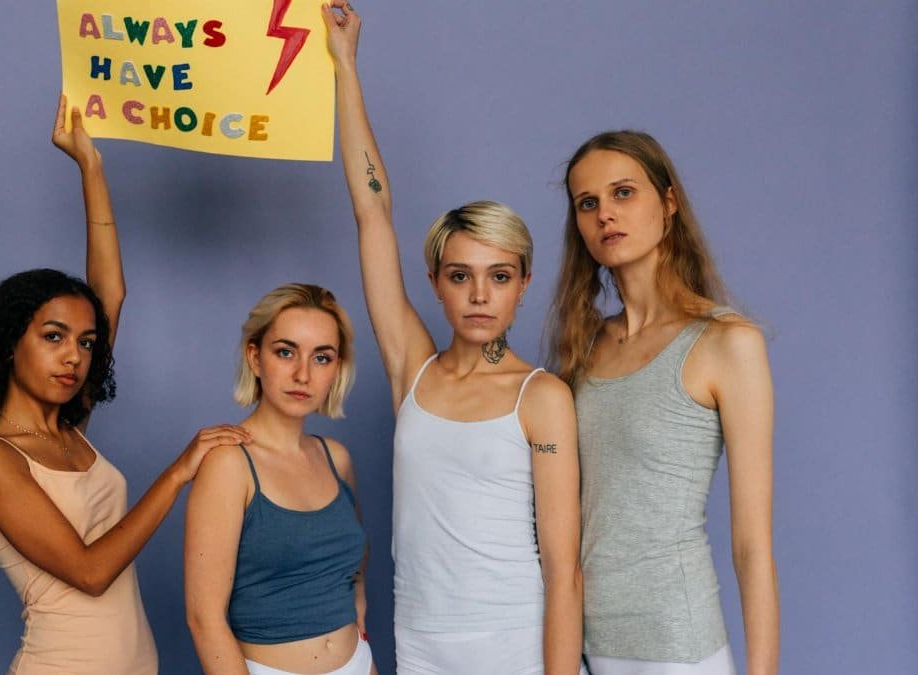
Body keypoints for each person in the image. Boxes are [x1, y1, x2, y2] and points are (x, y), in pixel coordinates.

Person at [0, 97, 248, 674]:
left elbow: (109, 294)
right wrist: (178, 472)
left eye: (85, 344)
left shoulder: (67, 429)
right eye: (54, 337)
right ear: (11, 343)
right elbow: (89, 570)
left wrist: (91, 166)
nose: (75, 356)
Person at [323, 4, 584, 673]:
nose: (478, 294)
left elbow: (564, 568)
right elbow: (371, 208)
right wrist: (344, 65)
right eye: (461, 274)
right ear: (435, 281)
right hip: (422, 643)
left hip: (515, 643)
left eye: (498, 276)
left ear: (523, 284)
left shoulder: (542, 396)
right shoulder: (412, 366)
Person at [549, 130, 779, 674]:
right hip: (579, 643)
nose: (605, 214)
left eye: (623, 192)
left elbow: (752, 545)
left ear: (668, 203)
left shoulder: (727, 343)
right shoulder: (584, 349)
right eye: (588, 203)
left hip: (678, 646)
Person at [185, 283, 375, 675]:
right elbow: (204, 619)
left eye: (321, 358)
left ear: (336, 368)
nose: (302, 374)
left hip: (358, 664)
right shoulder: (229, 464)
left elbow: (350, 553)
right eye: (285, 352)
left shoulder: (335, 458)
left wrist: (358, 602)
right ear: (255, 358)